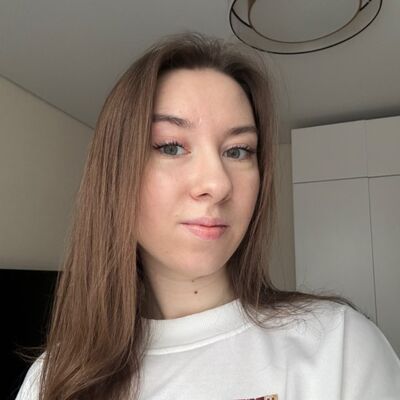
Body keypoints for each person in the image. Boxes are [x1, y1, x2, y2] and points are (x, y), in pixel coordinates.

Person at [15, 32, 400, 400]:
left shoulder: (338, 346)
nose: (217, 184)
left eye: (238, 151)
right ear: (115, 174)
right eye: (171, 146)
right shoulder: (54, 380)